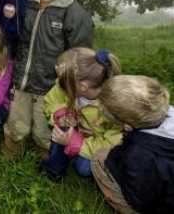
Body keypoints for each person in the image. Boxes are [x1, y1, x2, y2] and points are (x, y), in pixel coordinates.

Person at [0, 0, 94, 161]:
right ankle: (9, 156)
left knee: (44, 130)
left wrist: (66, 84)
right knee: (16, 123)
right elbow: (24, 42)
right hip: (22, 81)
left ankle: (47, 159)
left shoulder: (75, 14)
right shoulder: (32, 4)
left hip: (51, 88)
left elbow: (81, 56)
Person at [91, 75, 174, 214]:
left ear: (127, 126)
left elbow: (137, 200)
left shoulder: (137, 154)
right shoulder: (167, 111)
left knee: (98, 158)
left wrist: (116, 158)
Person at [39, 48, 123, 181]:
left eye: (62, 81)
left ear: (82, 87)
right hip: (78, 132)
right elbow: (51, 101)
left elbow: (112, 143)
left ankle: (103, 174)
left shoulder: (114, 107)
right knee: (60, 128)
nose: (58, 83)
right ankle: (53, 168)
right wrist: (61, 114)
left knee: (84, 168)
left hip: (98, 143)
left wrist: (76, 143)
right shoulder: (70, 83)